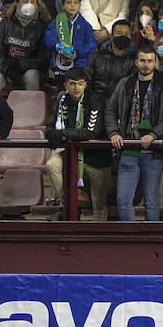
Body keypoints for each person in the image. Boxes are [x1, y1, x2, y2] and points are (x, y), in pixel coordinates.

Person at [106, 45, 163, 222]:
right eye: (142, 61)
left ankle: (150, 242)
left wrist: (155, 134)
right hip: (128, 148)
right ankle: (129, 242)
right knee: (123, 199)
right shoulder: (124, 84)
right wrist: (114, 133)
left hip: (153, 151)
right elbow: (110, 110)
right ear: (135, 62)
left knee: (152, 201)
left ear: (155, 62)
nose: (146, 64)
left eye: (150, 61)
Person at [44, 68, 111, 217]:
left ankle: (98, 233)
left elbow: (90, 132)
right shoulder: (61, 101)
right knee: (51, 164)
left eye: (80, 84)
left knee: (98, 205)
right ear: (66, 86)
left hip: (97, 157)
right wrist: (59, 134)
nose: (77, 88)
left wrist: (62, 134)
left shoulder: (95, 101)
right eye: (72, 84)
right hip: (71, 154)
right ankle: (67, 202)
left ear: (85, 84)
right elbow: (49, 130)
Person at [0, 0, 49, 92]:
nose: (29, 4)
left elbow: (44, 59)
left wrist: (21, 64)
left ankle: (32, 107)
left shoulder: (42, 27)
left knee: (31, 77)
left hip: (31, 70)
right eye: (25, 1)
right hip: (7, 68)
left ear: (37, 5)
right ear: (17, 4)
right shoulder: (5, 23)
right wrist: (6, 69)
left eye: (32, 1)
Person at [45, 0, 98, 85]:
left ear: (80, 5)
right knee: (61, 91)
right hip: (59, 63)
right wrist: (62, 49)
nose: (72, 5)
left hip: (80, 64)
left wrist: (77, 54)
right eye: (69, 3)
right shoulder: (56, 22)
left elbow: (92, 44)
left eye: (75, 2)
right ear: (63, 5)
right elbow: (49, 39)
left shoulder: (85, 25)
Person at [84, 21, 137, 101]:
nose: (123, 36)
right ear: (111, 36)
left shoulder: (134, 60)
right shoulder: (96, 56)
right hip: (95, 102)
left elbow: (132, 87)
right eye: (119, 33)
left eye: (127, 34)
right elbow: (86, 80)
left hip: (120, 104)